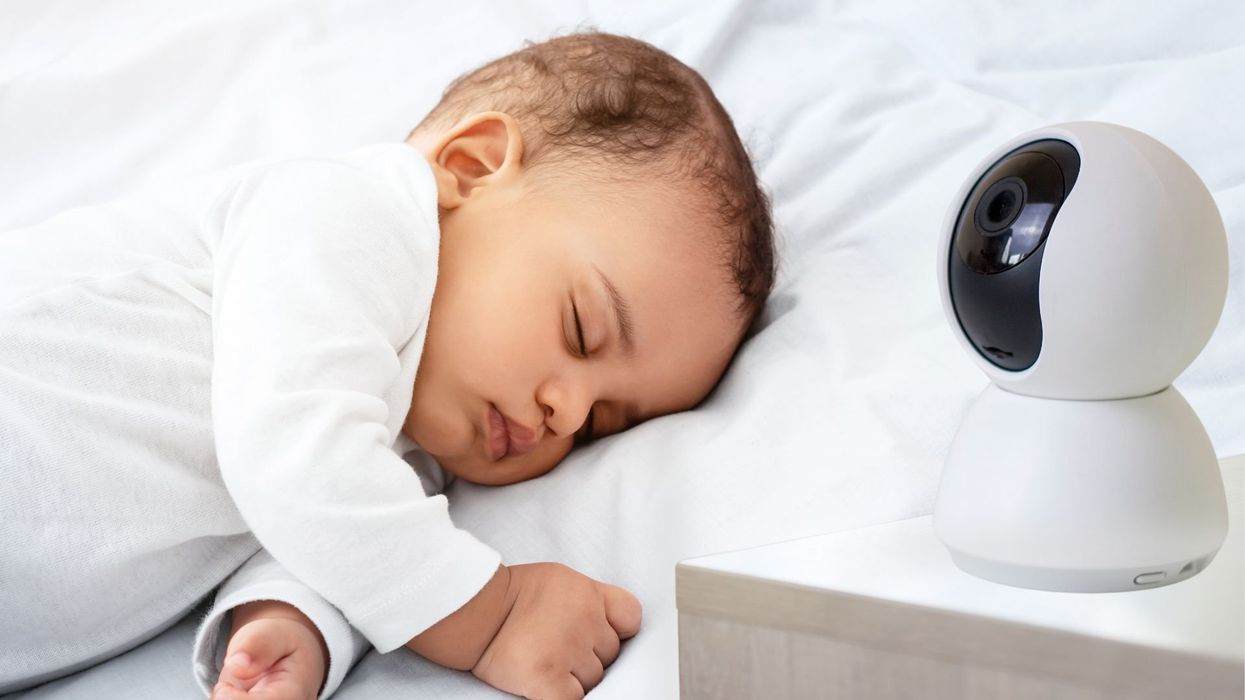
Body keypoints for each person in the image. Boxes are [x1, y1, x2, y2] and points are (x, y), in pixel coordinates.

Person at [0, 30, 775, 700]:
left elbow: (324, 535)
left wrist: (288, 620)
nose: (566, 415)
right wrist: (490, 612)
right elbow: (290, 452)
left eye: (602, 424)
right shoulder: (343, 213)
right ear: (469, 168)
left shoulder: (408, 459)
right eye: (580, 328)